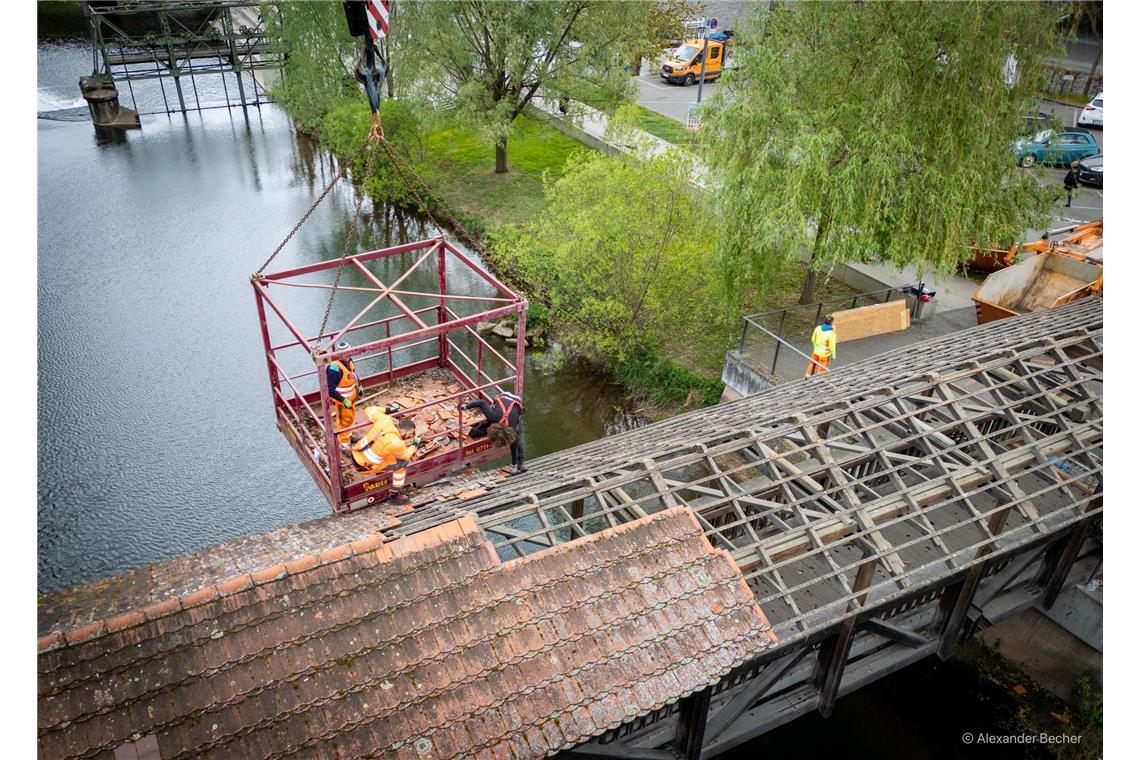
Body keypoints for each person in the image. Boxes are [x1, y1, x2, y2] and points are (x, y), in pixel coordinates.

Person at [351, 415, 421, 505]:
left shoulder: (385, 420)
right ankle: (396, 494)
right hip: (364, 466)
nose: (410, 436)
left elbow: (370, 410)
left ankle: (381, 473)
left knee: (386, 453)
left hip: (355, 453)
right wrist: (414, 444)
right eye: (410, 433)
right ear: (403, 431)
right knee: (402, 464)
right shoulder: (396, 443)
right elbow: (406, 456)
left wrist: (388, 410)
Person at [463, 391, 526, 475]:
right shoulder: (493, 416)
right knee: (485, 425)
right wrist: (465, 407)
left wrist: (514, 467)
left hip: (516, 403)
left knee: (517, 442)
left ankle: (520, 464)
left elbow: (514, 448)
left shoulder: (514, 432)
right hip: (504, 396)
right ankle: (474, 432)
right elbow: (481, 403)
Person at [326, 341, 362, 449]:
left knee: (350, 418)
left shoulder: (349, 360)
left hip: (351, 399)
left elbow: (353, 374)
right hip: (342, 402)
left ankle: (349, 436)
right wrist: (343, 400)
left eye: (348, 353)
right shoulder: (334, 369)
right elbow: (330, 389)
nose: (347, 356)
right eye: (345, 354)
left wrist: (359, 385)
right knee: (343, 422)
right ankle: (345, 444)